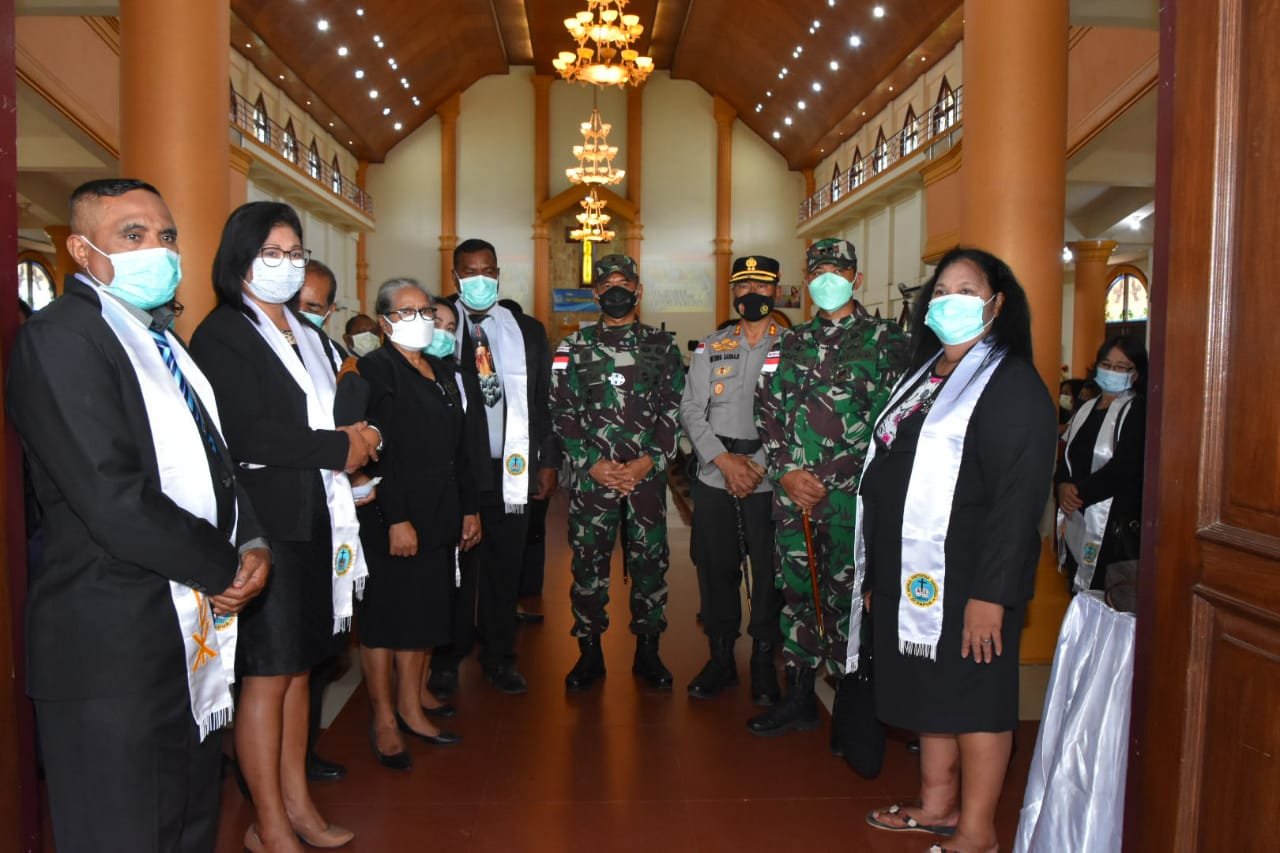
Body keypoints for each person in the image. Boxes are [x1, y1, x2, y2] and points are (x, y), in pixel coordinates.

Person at [6, 178, 270, 852]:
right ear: (81, 249)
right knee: (122, 832)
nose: (158, 249)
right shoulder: (63, 339)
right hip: (111, 643)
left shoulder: (160, 339)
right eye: (133, 235)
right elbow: (110, 495)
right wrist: (223, 563)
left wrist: (254, 540)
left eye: (167, 235)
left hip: (183, 633)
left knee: (186, 825)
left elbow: (219, 461)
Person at [191, 201, 381, 853]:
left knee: (301, 670)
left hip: (317, 516)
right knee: (267, 675)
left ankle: (298, 803)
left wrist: (364, 432)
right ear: (240, 257)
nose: (287, 262)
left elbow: (344, 398)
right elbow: (243, 431)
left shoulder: (304, 330)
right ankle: (267, 820)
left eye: (294, 251)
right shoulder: (224, 334)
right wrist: (338, 447)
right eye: (272, 251)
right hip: (266, 522)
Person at [854, 247, 1056, 853]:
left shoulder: (1012, 384)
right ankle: (937, 806)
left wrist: (991, 595)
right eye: (941, 290)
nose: (950, 301)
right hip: (912, 571)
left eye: (967, 291)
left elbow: (1018, 503)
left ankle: (976, 831)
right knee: (929, 691)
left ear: (997, 304)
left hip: (970, 573)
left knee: (975, 699)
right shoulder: (923, 375)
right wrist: (876, 574)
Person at [751, 238, 908, 747]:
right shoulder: (785, 344)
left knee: (852, 601)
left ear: (856, 279)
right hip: (794, 498)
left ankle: (853, 704)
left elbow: (897, 424)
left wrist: (836, 476)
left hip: (852, 501)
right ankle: (798, 696)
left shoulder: (887, 341)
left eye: (837, 269)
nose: (826, 277)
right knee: (796, 595)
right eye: (817, 268)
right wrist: (786, 473)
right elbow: (766, 415)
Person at [354, 279, 478, 768]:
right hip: (393, 517)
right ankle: (384, 717)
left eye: (425, 309)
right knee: (386, 619)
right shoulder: (375, 370)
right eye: (408, 311)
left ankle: (412, 704)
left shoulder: (441, 368)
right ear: (385, 322)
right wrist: (396, 518)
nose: (422, 318)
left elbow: (460, 445)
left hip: (442, 511)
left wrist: (469, 507)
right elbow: (380, 453)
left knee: (424, 614)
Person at [428, 238, 558, 696]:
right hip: (456, 469)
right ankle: (447, 655)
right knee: (456, 566)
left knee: (506, 565)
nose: (479, 279)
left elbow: (542, 400)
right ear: (455, 277)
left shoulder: (528, 330)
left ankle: (500, 655)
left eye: (487, 270)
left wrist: (548, 460)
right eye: (469, 271)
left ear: (499, 273)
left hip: (513, 467)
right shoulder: (438, 327)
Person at [551, 253, 686, 691]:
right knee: (588, 565)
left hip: (645, 479)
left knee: (650, 563)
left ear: (638, 290)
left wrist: (649, 460)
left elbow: (672, 409)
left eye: (623, 283)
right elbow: (561, 410)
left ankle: (649, 650)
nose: (615, 291)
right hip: (594, 480)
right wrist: (591, 463)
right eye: (607, 284)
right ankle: (589, 652)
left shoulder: (661, 346)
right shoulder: (572, 348)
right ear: (595, 294)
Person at [678, 255, 785, 703]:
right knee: (715, 568)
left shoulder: (795, 347)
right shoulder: (712, 346)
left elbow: (796, 416)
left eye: (761, 286)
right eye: (742, 287)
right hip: (716, 475)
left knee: (769, 572)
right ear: (733, 292)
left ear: (775, 291)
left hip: (769, 477)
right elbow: (689, 410)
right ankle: (721, 658)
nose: (751, 295)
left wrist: (755, 464)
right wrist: (725, 461)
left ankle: (763, 660)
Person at [286, 257, 350, 781]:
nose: (298, 316)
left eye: (310, 307)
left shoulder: (331, 352)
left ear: (328, 311)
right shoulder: (260, 350)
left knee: (318, 651)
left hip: (329, 509)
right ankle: (283, 764)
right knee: (286, 659)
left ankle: (304, 752)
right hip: (288, 519)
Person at [1056, 335, 1148, 592]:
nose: (1112, 372)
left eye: (1122, 367)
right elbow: (1067, 454)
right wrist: (1063, 485)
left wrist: (1079, 493)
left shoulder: (1136, 409)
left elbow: (1125, 466)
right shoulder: (1086, 408)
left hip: (1111, 520)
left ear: (1136, 373)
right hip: (1078, 514)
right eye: (1107, 364)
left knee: (1102, 594)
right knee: (1076, 589)